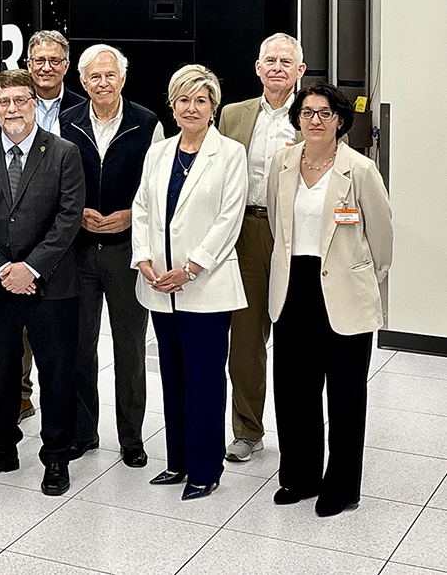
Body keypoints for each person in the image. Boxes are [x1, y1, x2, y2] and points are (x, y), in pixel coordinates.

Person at [0, 69, 85, 496]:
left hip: (52, 285)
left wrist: (29, 268)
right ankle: (1, 449)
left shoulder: (64, 152)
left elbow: (69, 217)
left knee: (56, 373)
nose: (12, 109)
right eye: (3, 102)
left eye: (20, 100)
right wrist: (2, 269)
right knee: (2, 371)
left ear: (34, 104)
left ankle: (57, 456)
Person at [266, 82, 392, 517]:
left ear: (340, 120)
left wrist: (362, 277)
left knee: (345, 397)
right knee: (294, 391)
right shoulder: (282, 163)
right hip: (293, 288)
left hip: (343, 291)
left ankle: (340, 487)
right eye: (307, 112)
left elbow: (382, 236)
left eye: (324, 113)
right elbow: (277, 226)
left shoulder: (360, 169)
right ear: (297, 119)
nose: (315, 120)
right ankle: (300, 477)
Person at [131, 64, 248, 500]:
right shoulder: (159, 151)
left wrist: (193, 268)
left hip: (205, 286)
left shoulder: (231, 154)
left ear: (214, 107)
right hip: (160, 285)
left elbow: (229, 218)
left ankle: (205, 469)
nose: (191, 108)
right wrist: (142, 257)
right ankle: (177, 462)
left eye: (201, 100)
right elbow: (142, 207)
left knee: (204, 380)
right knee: (173, 376)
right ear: (172, 105)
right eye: (183, 99)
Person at [60, 44, 163, 466]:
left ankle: (132, 437)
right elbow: (56, 183)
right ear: (83, 82)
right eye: (94, 77)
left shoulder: (148, 123)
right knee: (79, 346)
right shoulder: (66, 122)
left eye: (110, 75)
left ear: (123, 77)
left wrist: (131, 217)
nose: (103, 83)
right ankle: (84, 432)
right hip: (79, 251)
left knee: (130, 348)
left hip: (127, 252)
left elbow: (157, 190)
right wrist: (77, 213)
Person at [0, 30, 87, 424]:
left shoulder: (81, 109)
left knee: (62, 341)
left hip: (67, 241)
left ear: (66, 65)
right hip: (12, 246)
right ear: (28, 64)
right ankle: (20, 397)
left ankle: (69, 424)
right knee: (13, 337)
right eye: (38, 60)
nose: (46, 67)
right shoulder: (7, 104)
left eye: (54, 60)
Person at [217, 33, 306, 463]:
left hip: (296, 235)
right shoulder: (232, 115)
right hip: (247, 233)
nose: (277, 68)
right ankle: (247, 430)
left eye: (286, 62)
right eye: (270, 60)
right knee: (246, 341)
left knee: (296, 339)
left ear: (300, 71)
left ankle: (299, 433)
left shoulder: (314, 115)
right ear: (257, 68)